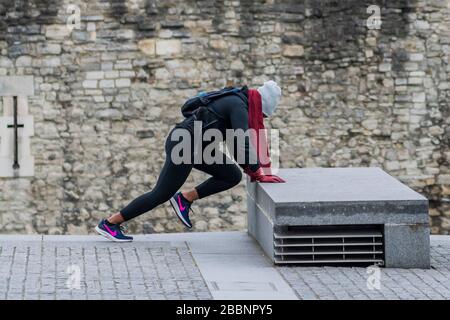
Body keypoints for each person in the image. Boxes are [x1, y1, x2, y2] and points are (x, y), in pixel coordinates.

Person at [95, 80, 285, 242]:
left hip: (198, 147)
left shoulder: (239, 103)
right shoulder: (238, 105)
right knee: (160, 193)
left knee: (231, 175)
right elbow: (241, 139)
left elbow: (236, 145)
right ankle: (110, 223)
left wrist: (252, 169)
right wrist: (256, 170)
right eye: (263, 115)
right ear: (260, 105)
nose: (261, 119)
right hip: (184, 144)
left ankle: (184, 198)